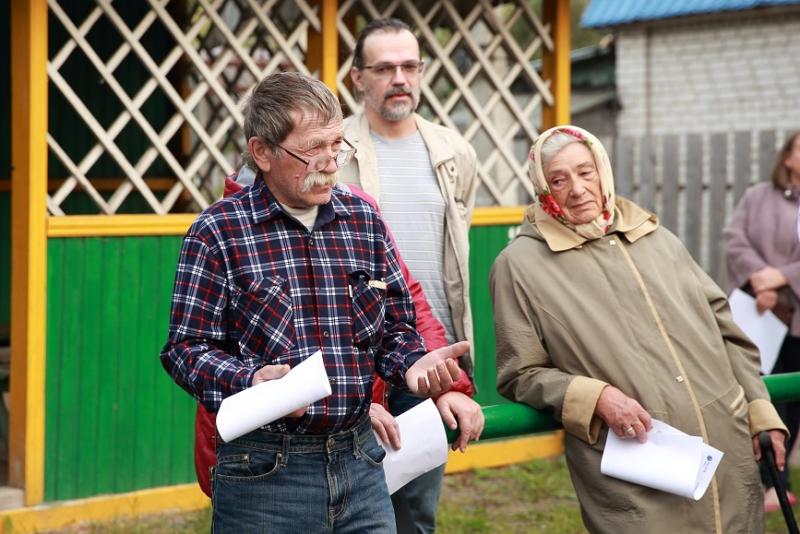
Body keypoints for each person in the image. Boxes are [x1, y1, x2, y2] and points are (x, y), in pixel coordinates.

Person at [160, 71, 469, 533]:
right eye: (313, 150)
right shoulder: (217, 231)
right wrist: (251, 379)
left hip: (362, 459)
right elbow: (185, 350)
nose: (330, 164)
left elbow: (394, 330)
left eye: (338, 146)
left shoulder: (363, 218)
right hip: (263, 470)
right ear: (262, 152)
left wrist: (413, 365)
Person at [491, 124, 788, 534]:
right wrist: (596, 397)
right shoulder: (520, 265)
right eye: (559, 179)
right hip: (640, 464)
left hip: (726, 445)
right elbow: (519, 374)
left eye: (586, 172)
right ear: (542, 188)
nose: (577, 189)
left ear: (603, 171)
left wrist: (758, 409)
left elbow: (728, 333)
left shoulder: (656, 237)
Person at [338, 17, 483, 533]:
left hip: (432, 358)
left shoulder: (452, 152)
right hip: (359, 358)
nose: (399, 78)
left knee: (416, 513)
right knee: (348, 506)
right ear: (358, 78)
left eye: (409, 66)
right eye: (384, 68)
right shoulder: (336, 153)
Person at [724, 131, 800, 513]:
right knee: (764, 394)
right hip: (760, 316)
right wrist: (760, 279)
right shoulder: (758, 197)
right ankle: (771, 482)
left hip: (797, 322)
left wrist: (783, 277)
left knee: (796, 401)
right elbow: (735, 239)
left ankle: (776, 477)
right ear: (787, 157)